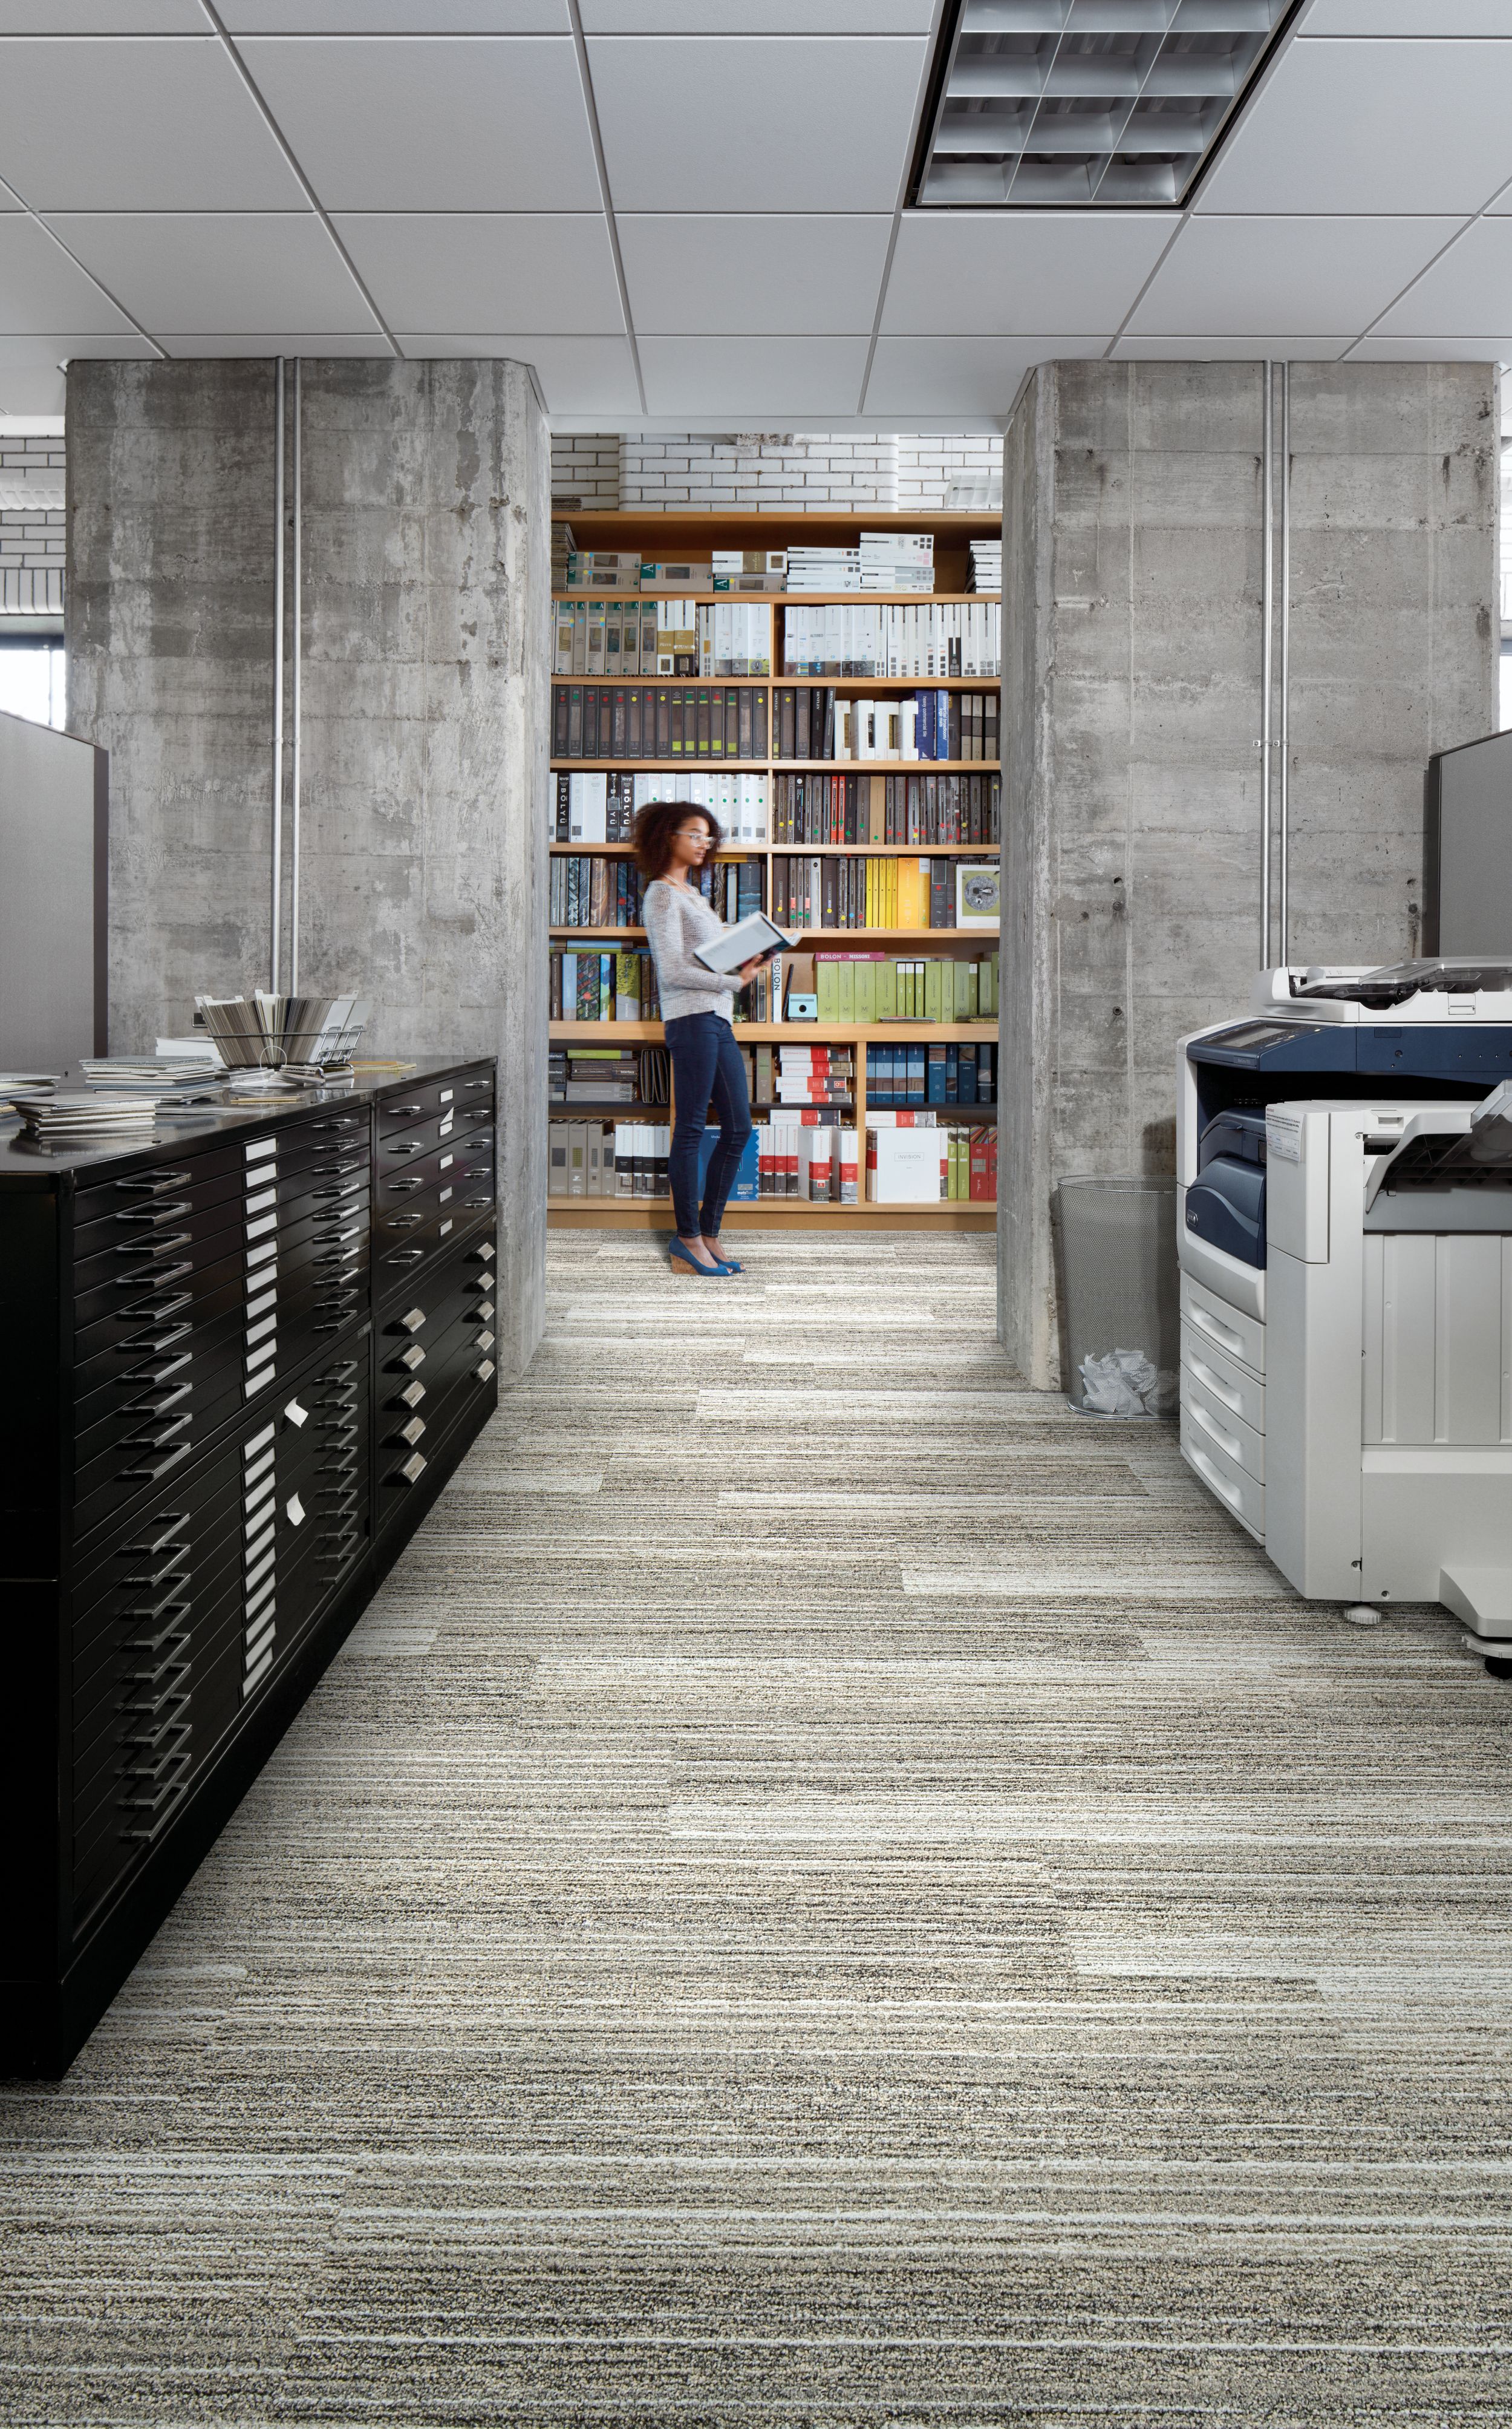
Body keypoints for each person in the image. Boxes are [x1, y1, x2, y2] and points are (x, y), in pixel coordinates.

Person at [634, 799, 761, 1276]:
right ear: (668, 836)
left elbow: (706, 960)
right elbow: (672, 970)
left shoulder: (695, 896)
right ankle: (687, 1238)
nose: (704, 841)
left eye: (708, 834)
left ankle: (709, 1232)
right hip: (691, 1018)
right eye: (694, 833)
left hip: (717, 1018)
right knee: (689, 1128)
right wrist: (735, 982)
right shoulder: (662, 894)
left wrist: (746, 957)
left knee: (739, 1128)